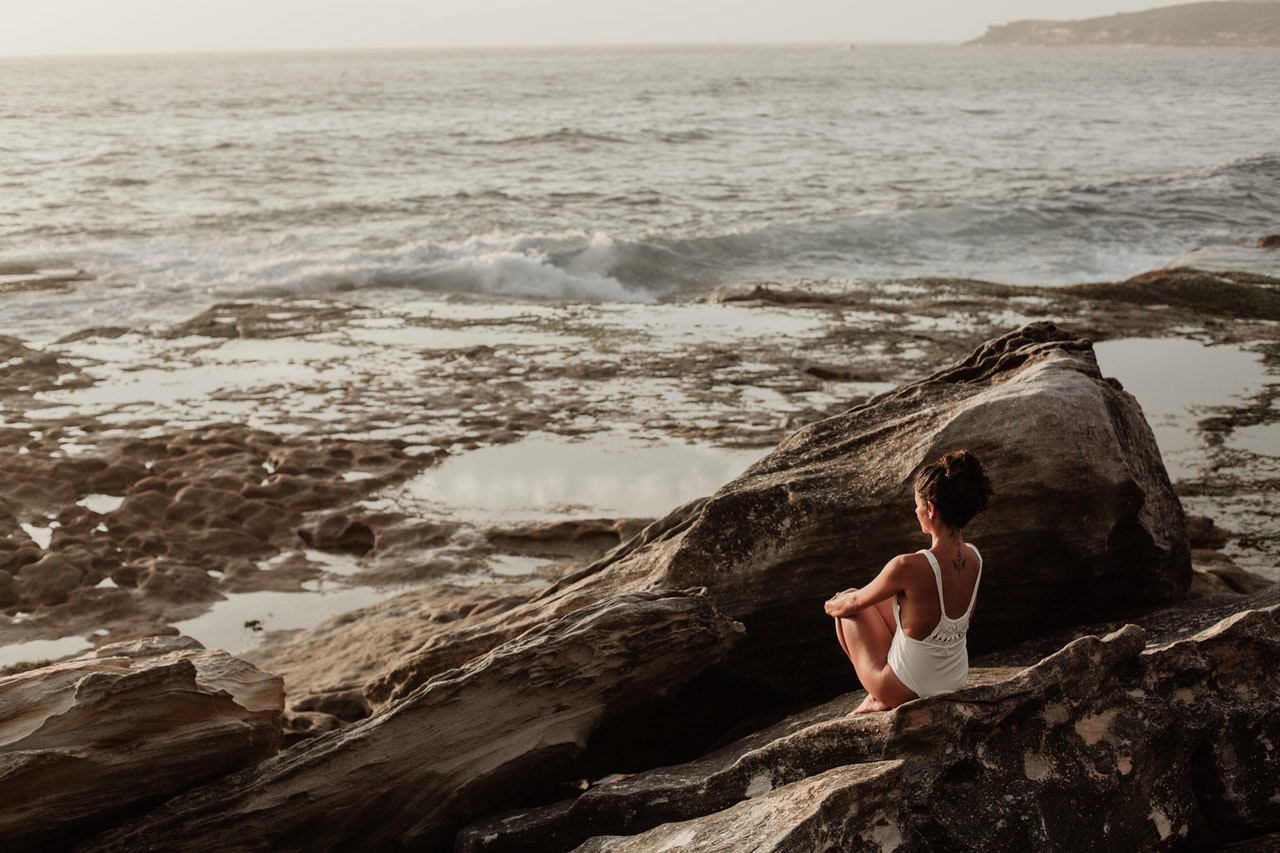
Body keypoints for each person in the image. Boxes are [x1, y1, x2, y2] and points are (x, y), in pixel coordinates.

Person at [824, 450, 993, 714]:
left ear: (931, 509)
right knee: (889, 607)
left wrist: (830, 605)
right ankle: (885, 689)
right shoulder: (975, 558)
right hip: (954, 679)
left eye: (917, 505)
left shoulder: (907, 566)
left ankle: (879, 696)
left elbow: (853, 603)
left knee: (847, 607)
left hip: (908, 689)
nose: (916, 511)